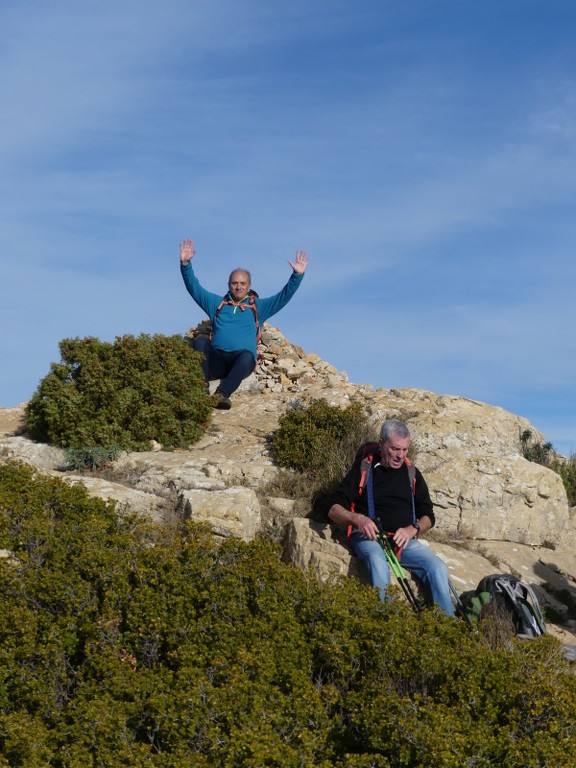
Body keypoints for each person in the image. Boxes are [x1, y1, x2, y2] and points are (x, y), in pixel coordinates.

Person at [327, 418, 455, 616]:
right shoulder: (364, 469)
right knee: (377, 560)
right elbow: (333, 508)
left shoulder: (412, 473)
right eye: (395, 449)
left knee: (437, 567)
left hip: (401, 541)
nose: (400, 456)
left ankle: (447, 627)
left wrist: (414, 528)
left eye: (405, 450)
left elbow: (428, 515)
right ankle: (383, 622)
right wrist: (358, 519)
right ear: (382, 444)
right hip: (368, 538)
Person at [179, 238, 309, 409]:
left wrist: (297, 275)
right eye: (234, 283)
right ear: (228, 285)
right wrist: (186, 264)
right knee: (201, 341)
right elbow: (194, 288)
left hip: (240, 362)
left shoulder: (258, 307)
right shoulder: (216, 304)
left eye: (242, 283)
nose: (238, 287)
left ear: (249, 286)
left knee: (248, 356)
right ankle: (201, 391)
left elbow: (283, 296)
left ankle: (221, 395)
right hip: (217, 360)